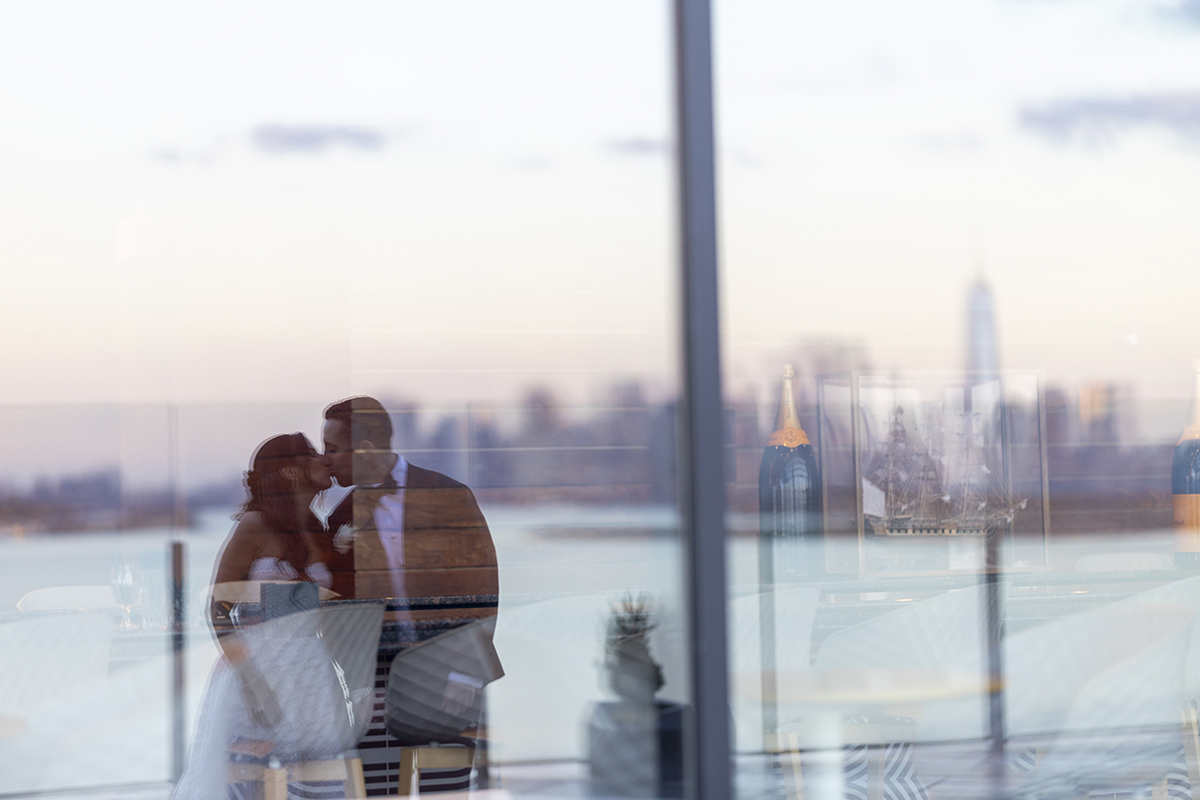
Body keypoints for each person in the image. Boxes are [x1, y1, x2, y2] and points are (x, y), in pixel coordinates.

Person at [319, 396, 501, 793]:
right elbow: (339, 612)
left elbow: (481, 588)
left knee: (447, 792)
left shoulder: (449, 496)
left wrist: (466, 671)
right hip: (378, 679)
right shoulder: (339, 518)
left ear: (365, 450)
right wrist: (361, 684)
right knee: (378, 791)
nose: (324, 460)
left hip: (449, 670)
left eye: (331, 449)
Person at [174, 433, 362, 800]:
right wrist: (252, 683)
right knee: (258, 782)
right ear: (290, 471)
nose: (325, 460)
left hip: (311, 672)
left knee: (318, 779)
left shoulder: (316, 529)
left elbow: (331, 613)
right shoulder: (254, 526)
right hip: (260, 669)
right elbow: (218, 609)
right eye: (312, 454)